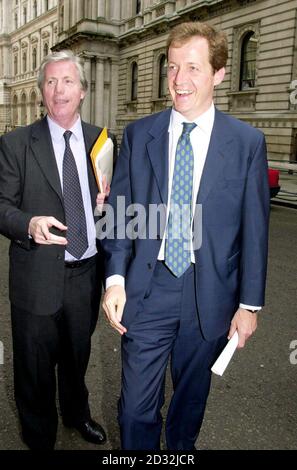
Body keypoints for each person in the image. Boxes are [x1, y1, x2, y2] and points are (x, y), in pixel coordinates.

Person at [102, 21, 270, 450]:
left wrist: (249, 305)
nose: (179, 80)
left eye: (193, 68)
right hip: (148, 287)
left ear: (218, 73)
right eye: (173, 67)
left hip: (210, 292)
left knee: (190, 404)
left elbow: (255, 230)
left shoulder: (246, 142)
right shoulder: (140, 135)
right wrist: (115, 279)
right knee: (135, 409)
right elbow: (122, 217)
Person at [0, 50, 116, 450]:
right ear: (41, 93)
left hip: (86, 275)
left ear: (82, 91)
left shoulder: (102, 141)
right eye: (50, 82)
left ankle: (76, 413)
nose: (59, 89)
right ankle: (39, 437)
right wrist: (27, 224)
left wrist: (109, 208)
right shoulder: (15, 144)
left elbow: (110, 205)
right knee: (33, 367)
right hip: (36, 275)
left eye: (67, 81)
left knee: (76, 355)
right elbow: (1, 206)